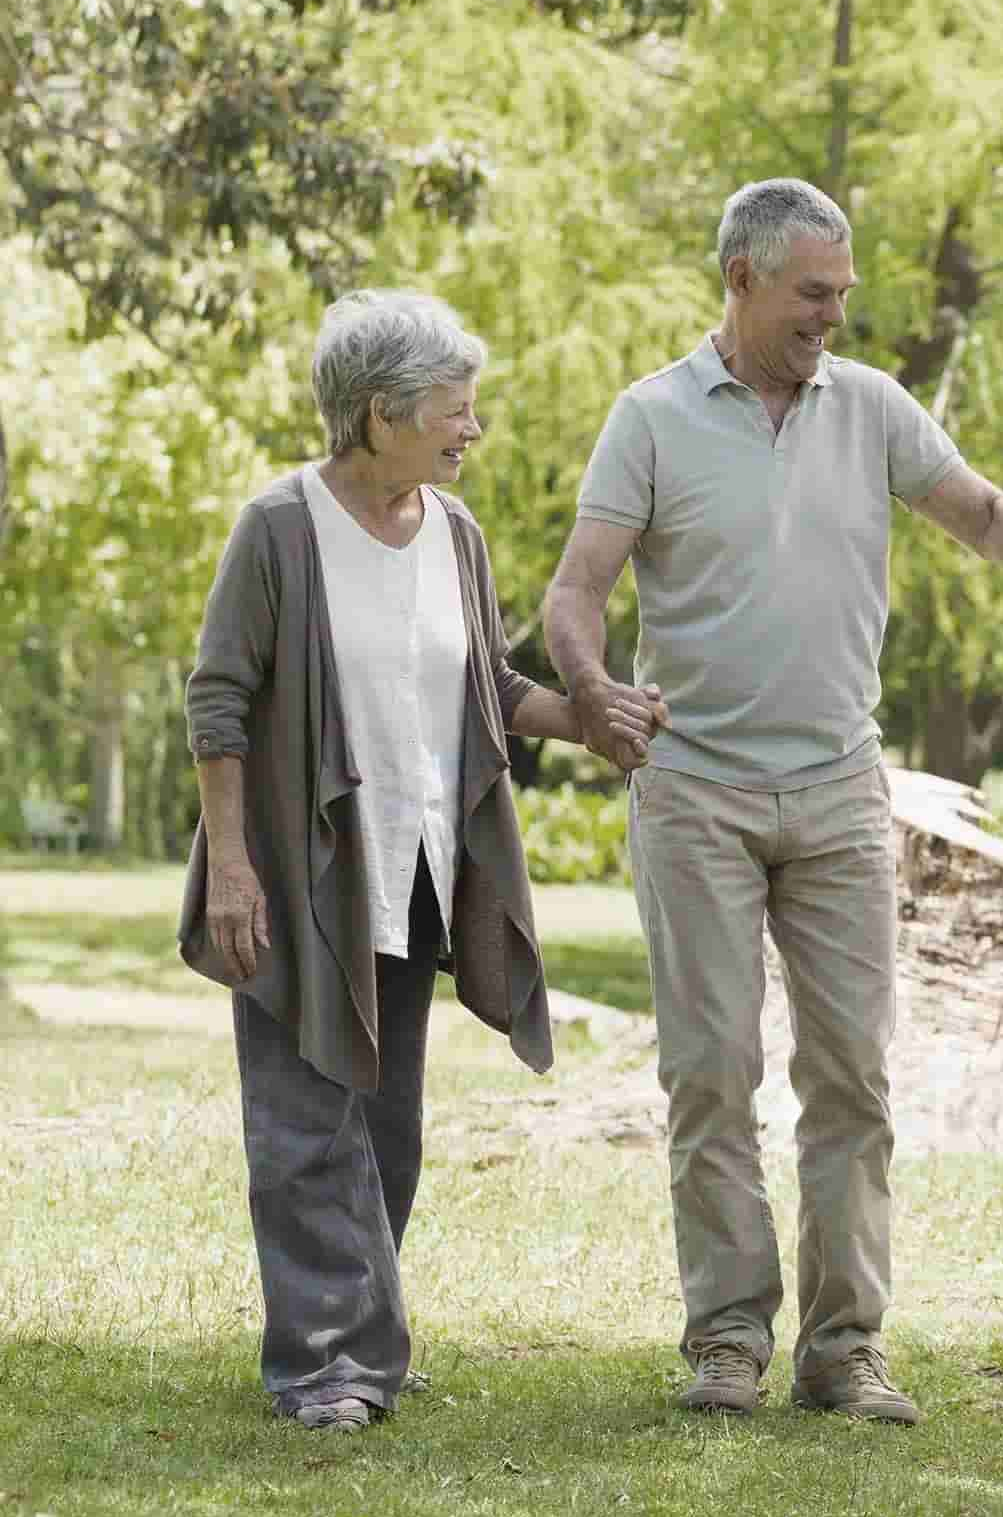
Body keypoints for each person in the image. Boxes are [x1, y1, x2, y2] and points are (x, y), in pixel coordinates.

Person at [543, 178, 1003, 1424]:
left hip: (838, 788)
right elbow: (577, 594)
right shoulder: (653, 418)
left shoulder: (872, 409)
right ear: (741, 278)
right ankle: (728, 1336)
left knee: (851, 1078)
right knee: (711, 1072)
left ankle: (846, 1347)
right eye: (812, 293)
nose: (832, 315)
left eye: (842, 293)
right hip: (697, 790)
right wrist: (595, 690)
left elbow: (978, 512)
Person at [181, 289, 662, 1434]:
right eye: (456, 410)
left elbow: (486, 687)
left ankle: (356, 1334)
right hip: (301, 875)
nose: (473, 430)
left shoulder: (455, 531)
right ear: (382, 412)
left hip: (416, 867)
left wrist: (587, 718)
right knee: (305, 1127)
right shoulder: (281, 528)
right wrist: (234, 867)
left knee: (387, 1127)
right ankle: (325, 1364)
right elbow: (219, 702)